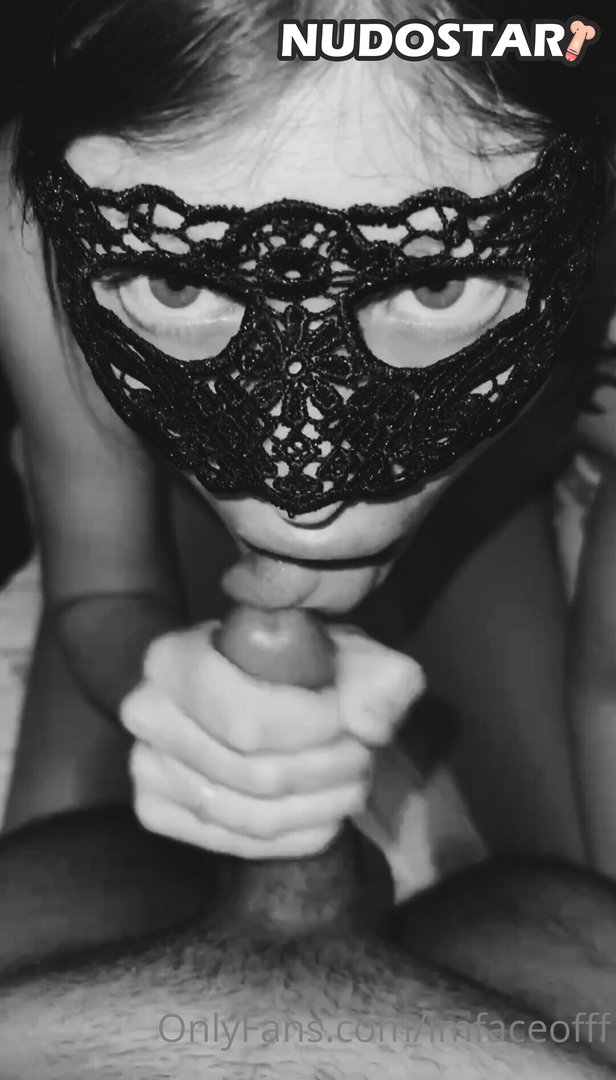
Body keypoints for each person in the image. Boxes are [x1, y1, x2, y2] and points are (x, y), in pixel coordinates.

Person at [0, 0, 612, 883]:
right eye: (175, 282)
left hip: (477, 528)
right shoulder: (36, 228)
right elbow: (100, 587)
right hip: (181, 521)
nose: (304, 486)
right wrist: (175, 692)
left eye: (438, 285)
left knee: (578, 905)